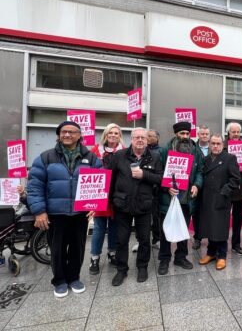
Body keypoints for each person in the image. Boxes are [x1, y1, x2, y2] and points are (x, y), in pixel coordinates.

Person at [28, 120, 102, 298]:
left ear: (79, 135)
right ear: (59, 135)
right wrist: (39, 211)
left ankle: (74, 278)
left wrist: (96, 205)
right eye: (63, 132)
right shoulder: (45, 157)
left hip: (80, 213)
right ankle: (60, 280)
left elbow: (99, 182)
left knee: (78, 248)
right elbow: (35, 185)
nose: (67, 135)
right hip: (56, 213)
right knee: (58, 249)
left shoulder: (91, 158)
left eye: (71, 132)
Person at [108, 128, 162, 286]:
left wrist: (144, 175)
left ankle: (142, 267)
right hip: (122, 205)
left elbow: (160, 178)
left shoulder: (155, 157)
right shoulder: (119, 156)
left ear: (147, 140)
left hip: (144, 205)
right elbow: (110, 179)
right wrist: (110, 201)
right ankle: (121, 270)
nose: (140, 140)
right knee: (121, 240)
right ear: (131, 139)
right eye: (137, 137)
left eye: (143, 138)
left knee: (144, 239)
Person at [157, 122, 204, 275]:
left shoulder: (196, 151)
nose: (185, 136)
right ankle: (164, 259)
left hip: (187, 199)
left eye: (187, 134)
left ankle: (181, 257)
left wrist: (196, 184)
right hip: (168, 198)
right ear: (176, 133)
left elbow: (200, 171)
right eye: (182, 133)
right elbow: (159, 173)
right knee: (165, 230)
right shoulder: (165, 150)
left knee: (183, 230)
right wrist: (166, 187)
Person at [199, 134, 241, 270]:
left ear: (222, 145)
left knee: (220, 228)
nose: (215, 146)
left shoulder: (229, 158)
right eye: (213, 143)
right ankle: (211, 253)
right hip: (207, 198)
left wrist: (224, 191)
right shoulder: (205, 159)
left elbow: (235, 179)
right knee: (210, 227)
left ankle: (222, 255)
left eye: (218, 144)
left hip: (221, 198)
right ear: (209, 144)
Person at [89, 123, 125, 275]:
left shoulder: (124, 151)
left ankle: (112, 253)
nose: (113, 135)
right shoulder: (95, 150)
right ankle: (95, 258)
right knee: (99, 228)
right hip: (100, 194)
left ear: (119, 136)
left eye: (116, 133)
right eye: (110, 133)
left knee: (115, 227)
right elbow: (88, 172)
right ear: (105, 134)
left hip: (116, 194)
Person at [225, 122, 242, 256]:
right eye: (233, 132)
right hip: (226, 189)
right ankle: (221, 243)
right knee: (223, 218)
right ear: (229, 133)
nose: (236, 134)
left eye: (238, 132)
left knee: (238, 219)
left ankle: (236, 244)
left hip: (239, 189)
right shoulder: (222, 146)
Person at [192, 125, 211, 250]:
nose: (204, 136)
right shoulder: (192, 148)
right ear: (198, 135)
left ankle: (211, 236)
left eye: (206, 134)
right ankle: (197, 238)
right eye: (202, 134)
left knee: (210, 213)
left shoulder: (215, 147)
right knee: (196, 213)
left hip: (211, 186)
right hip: (196, 186)